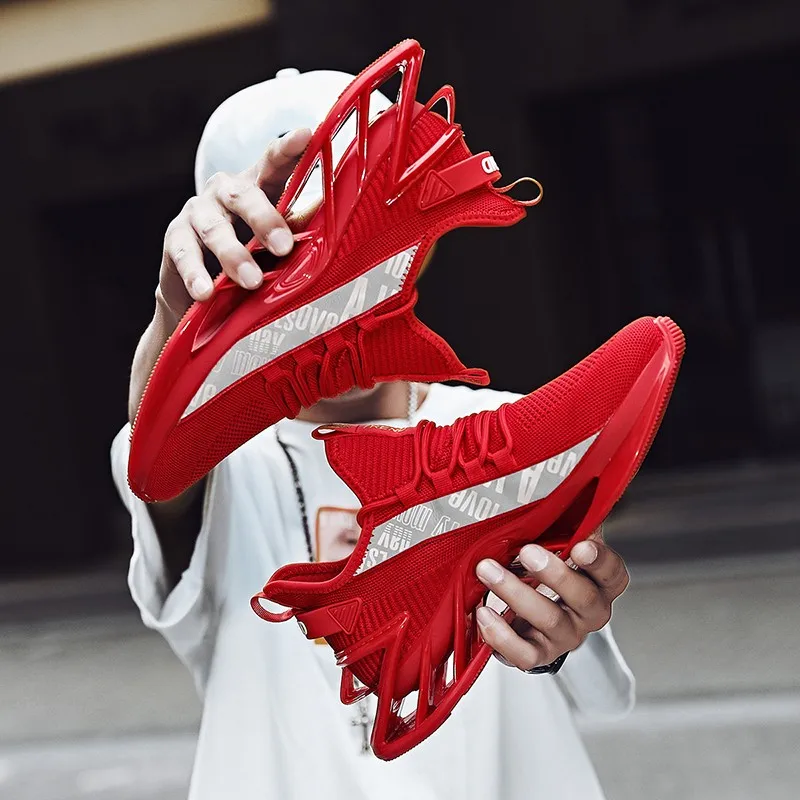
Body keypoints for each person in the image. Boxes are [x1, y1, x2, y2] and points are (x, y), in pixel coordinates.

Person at [111, 67, 635, 800]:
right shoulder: (224, 465)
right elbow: (157, 457)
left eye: (359, 245)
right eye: (285, 258)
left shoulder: (511, 432)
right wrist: (177, 320)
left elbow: (596, 689)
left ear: (420, 240)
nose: (333, 299)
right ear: (226, 264)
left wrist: (557, 633)